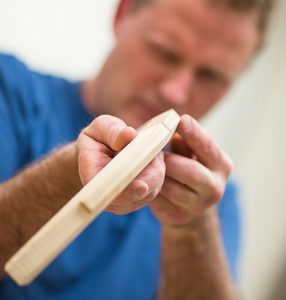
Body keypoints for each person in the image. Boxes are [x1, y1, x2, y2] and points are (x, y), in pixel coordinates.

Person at [0, 0, 275, 299]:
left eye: (210, 76)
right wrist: (70, 171)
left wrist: (192, 229)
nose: (175, 91)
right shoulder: (12, 92)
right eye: (164, 51)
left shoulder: (214, 201)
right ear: (122, 14)